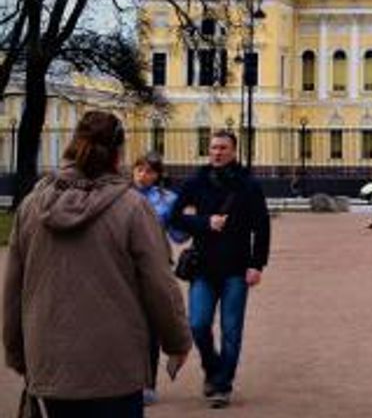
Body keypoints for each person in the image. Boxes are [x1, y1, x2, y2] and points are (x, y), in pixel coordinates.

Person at [3, 111, 191, 417]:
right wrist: (177, 340)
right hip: (116, 363)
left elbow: (13, 288)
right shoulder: (132, 208)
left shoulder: (32, 206)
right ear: (118, 153)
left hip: (51, 358)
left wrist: (16, 351)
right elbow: (159, 283)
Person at [172, 130, 270, 409]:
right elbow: (175, 218)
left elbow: (261, 227)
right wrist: (205, 223)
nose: (217, 152)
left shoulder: (248, 185)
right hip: (203, 266)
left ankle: (222, 386)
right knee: (198, 324)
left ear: (233, 151)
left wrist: (257, 264)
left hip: (236, 268)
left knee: (231, 330)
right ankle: (213, 369)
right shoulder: (195, 181)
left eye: (223, 148)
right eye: (214, 147)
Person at [132, 152, 189, 407]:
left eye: (149, 171)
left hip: (155, 266)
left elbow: (178, 236)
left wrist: (186, 219)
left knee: (152, 326)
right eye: (139, 170)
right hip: (125, 268)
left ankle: (148, 384)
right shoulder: (122, 196)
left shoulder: (167, 200)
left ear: (158, 174)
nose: (143, 176)